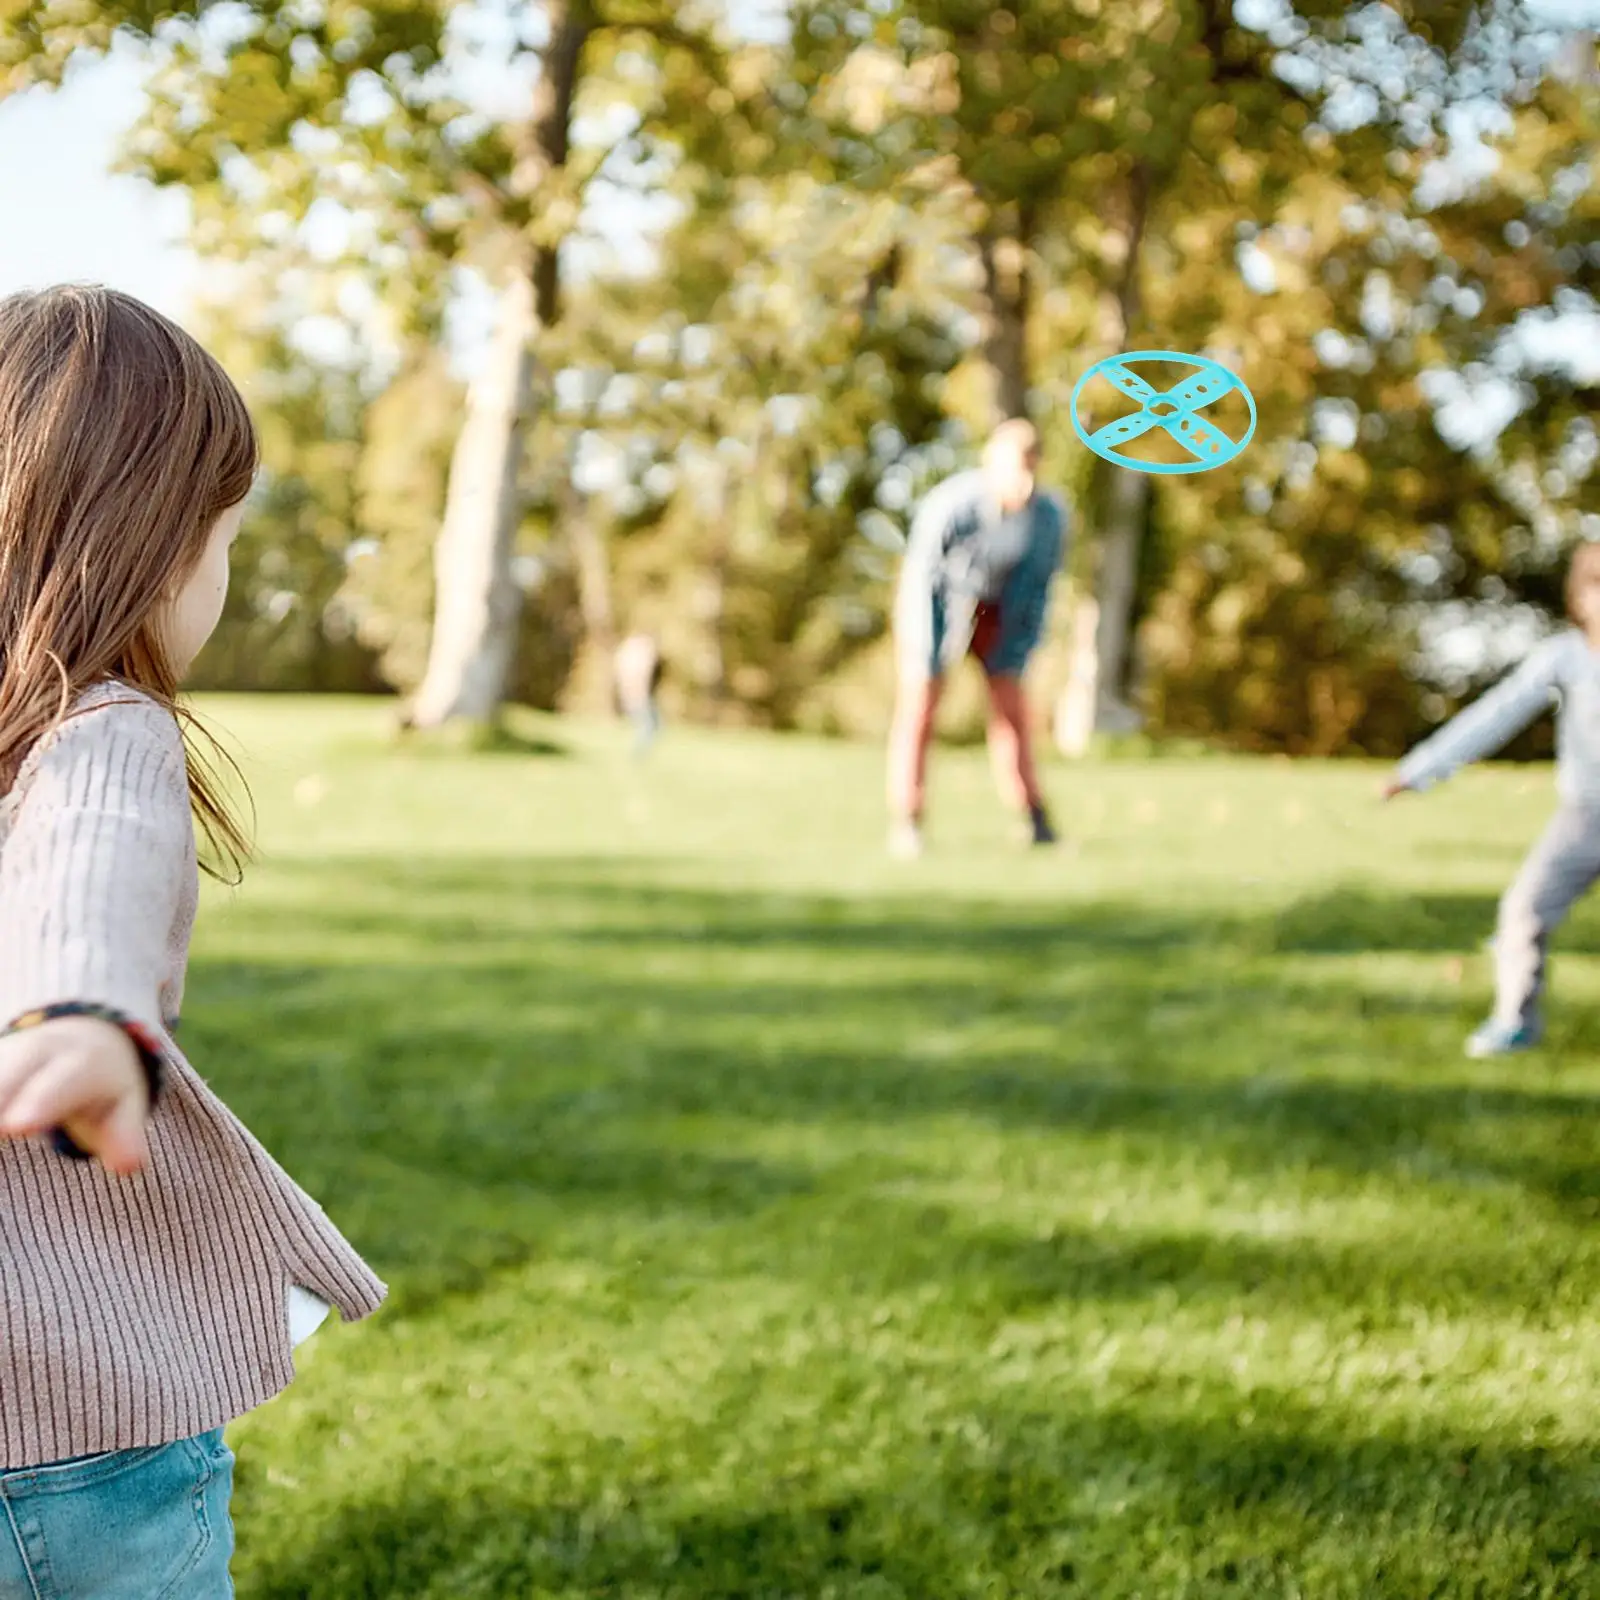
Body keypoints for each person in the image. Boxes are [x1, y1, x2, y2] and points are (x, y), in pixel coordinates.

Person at [0, 286, 385, 1592]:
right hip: (79, 1433)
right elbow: (90, 851)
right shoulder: (104, 725)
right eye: (226, 540)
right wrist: (81, 1009)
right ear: (161, 548)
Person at [1385, 540, 1600, 1057]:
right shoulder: (1566, 658)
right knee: (1524, 909)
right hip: (1584, 818)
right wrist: (1418, 770)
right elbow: (1497, 713)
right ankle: (1514, 1022)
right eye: (1597, 585)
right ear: (1579, 597)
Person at [887, 419, 1068, 858]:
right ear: (992, 463)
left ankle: (1035, 818)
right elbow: (923, 580)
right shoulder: (951, 504)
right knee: (921, 706)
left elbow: (1038, 588)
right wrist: (929, 653)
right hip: (940, 606)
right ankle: (908, 819)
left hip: (1000, 613)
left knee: (1012, 712)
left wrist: (1017, 650)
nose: (1023, 480)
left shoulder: (1047, 516)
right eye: (1014, 468)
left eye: (1030, 468)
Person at [614, 630, 664, 755]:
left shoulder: (627, 656)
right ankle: (638, 753)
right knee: (648, 725)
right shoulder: (638, 659)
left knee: (652, 724)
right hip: (639, 695)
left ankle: (639, 752)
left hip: (638, 694)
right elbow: (640, 679)